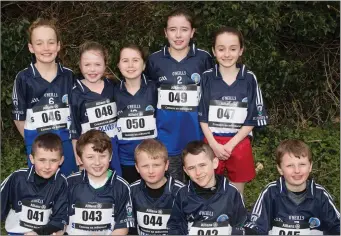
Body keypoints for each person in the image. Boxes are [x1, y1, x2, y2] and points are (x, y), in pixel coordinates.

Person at [145, 8, 214, 181]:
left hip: (196, 135)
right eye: (172, 29)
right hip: (166, 138)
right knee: (174, 188)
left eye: (184, 29)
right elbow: (147, 95)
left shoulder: (204, 58)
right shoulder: (154, 60)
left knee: (199, 183)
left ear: (192, 32)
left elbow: (211, 96)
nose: (178, 35)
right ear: (165, 32)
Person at [198, 26, 268, 195]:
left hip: (239, 141)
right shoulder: (206, 77)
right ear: (214, 51)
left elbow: (253, 117)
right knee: (209, 189)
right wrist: (214, 145)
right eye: (221, 49)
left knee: (237, 192)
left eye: (233, 49)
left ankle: (238, 220)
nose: (227, 54)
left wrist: (230, 144)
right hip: (212, 141)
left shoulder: (249, 78)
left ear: (241, 51)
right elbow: (202, 115)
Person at [11, 18, 77, 176]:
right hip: (38, 147)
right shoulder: (23, 78)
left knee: (70, 189)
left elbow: (77, 112)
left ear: (59, 45)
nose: (46, 48)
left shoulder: (69, 75)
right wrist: (34, 144)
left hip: (66, 146)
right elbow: (18, 118)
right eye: (39, 43)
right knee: (42, 195)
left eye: (51, 42)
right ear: (31, 47)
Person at [244, 139, 340, 235]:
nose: (297, 170)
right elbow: (255, 226)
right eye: (290, 165)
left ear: (310, 166)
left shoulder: (321, 195)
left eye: (302, 164)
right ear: (280, 169)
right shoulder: (270, 192)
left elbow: (337, 226)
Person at [167, 141, 247, 235]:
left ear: (215, 163)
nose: (198, 172)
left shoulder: (232, 193)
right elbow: (174, 227)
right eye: (191, 168)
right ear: (186, 171)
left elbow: (242, 226)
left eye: (202, 165)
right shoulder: (182, 194)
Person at [66, 130, 134, 235]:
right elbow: (60, 220)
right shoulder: (69, 183)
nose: (97, 162)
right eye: (90, 157)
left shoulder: (122, 187)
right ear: (80, 159)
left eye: (102, 156)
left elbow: (122, 227)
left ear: (110, 156)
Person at [69, 41, 121, 176]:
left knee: (115, 184)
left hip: (114, 148)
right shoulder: (75, 93)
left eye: (97, 64)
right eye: (87, 65)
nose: (92, 69)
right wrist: (79, 159)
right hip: (91, 153)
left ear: (105, 65)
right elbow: (74, 131)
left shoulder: (113, 86)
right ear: (80, 66)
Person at [1, 133, 68, 235]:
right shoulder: (17, 177)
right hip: (15, 232)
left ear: (61, 160)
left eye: (53, 161)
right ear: (32, 159)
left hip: (43, 233)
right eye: (42, 160)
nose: (47, 166)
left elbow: (60, 219)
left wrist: (38, 233)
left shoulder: (61, 183)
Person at [114, 44, 158, 183]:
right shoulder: (113, 92)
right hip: (126, 160)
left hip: (153, 159)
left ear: (144, 65)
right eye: (125, 61)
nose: (130, 65)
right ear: (118, 65)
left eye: (136, 60)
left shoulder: (155, 89)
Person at [130, 139, 185, 235]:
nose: (151, 171)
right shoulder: (131, 191)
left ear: (166, 165)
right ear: (137, 167)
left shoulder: (181, 192)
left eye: (156, 165)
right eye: (145, 166)